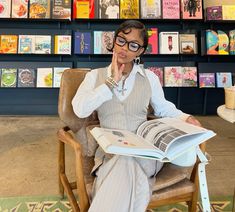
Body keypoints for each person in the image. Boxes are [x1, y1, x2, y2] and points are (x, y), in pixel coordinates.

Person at [72, 20, 201, 212]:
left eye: (133, 45)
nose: (124, 48)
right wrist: (110, 83)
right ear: (114, 41)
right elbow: (80, 109)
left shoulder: (149, 78)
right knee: (125, 163)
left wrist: (186, 118)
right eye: (121, 40)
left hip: (145, 153)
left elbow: (164, 109)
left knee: (126, 164)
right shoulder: (94, 77)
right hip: (111, 152)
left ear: (140, 51)